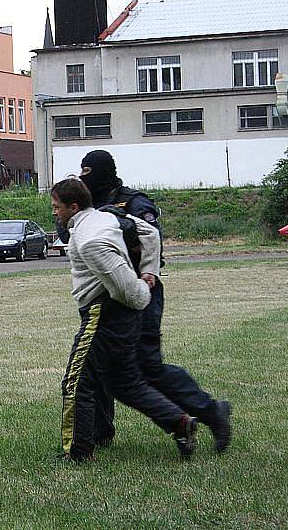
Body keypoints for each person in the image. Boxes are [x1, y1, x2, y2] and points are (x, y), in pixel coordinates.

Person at [72, 149, 232, 454]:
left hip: (140, 291)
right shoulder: (89, 205)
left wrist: (146, 273)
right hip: (107, 296)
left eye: (89, 172)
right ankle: (98, 432)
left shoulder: (134, 202)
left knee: (147, 365)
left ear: (105, 172)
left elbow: (152, 237)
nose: (85, 178)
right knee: (97, 364)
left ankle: (211, 412)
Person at [52, 177, 198, 462]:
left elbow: (125, 290)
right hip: (119, 318)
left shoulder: (89, 240)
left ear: (73, 206)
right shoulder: (107, 216)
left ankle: (78, 452)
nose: (54, 212)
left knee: (76, 382)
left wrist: (145, 285)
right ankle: (180, 423)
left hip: (103, 314)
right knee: (125, 383)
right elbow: (149, 233)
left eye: (57, 207)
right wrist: (150, 270)